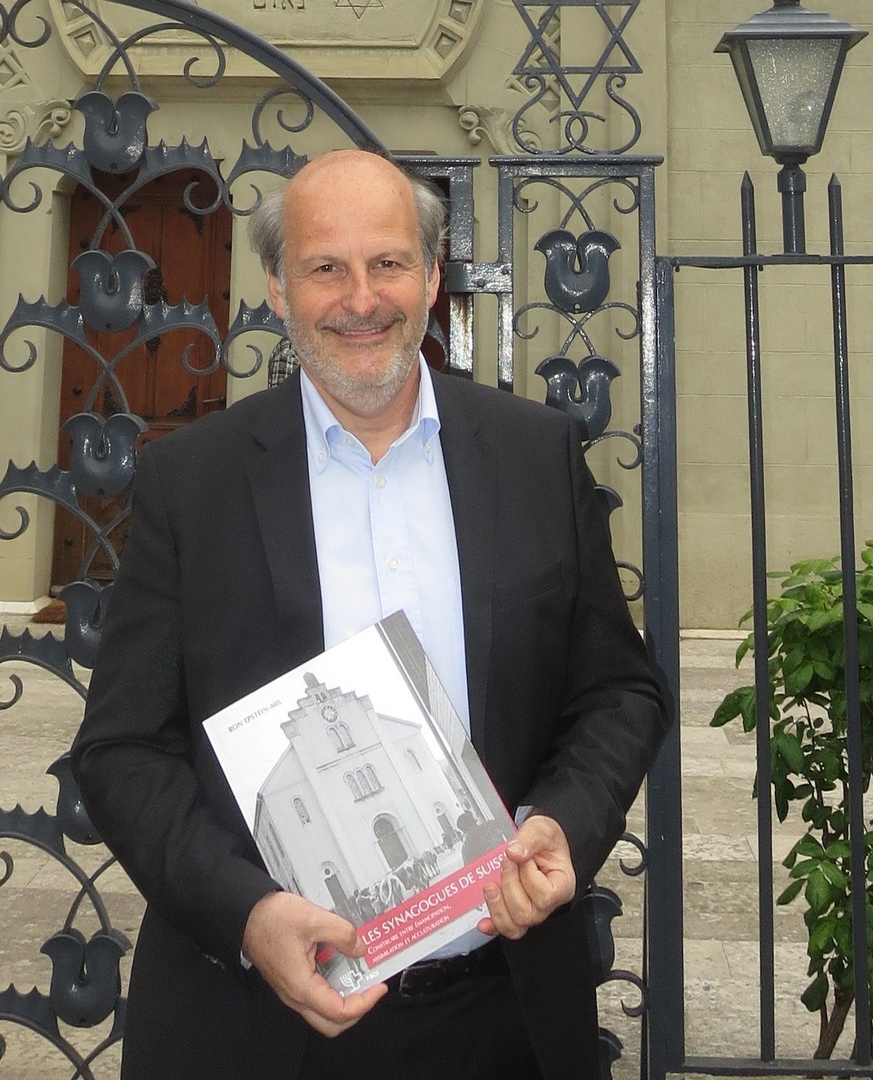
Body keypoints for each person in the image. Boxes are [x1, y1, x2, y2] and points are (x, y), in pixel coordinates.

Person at [69, 149, 670, 1080]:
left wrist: (562, 821)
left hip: (504, 1015)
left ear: (432, 277)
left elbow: (620, 693)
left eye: (388, 263)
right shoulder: (192, 484)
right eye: (326, 268)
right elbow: (122, 750)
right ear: (278, 287)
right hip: (260, 1029)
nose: (362, 299)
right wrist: (247, 915)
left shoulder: (536, 455)